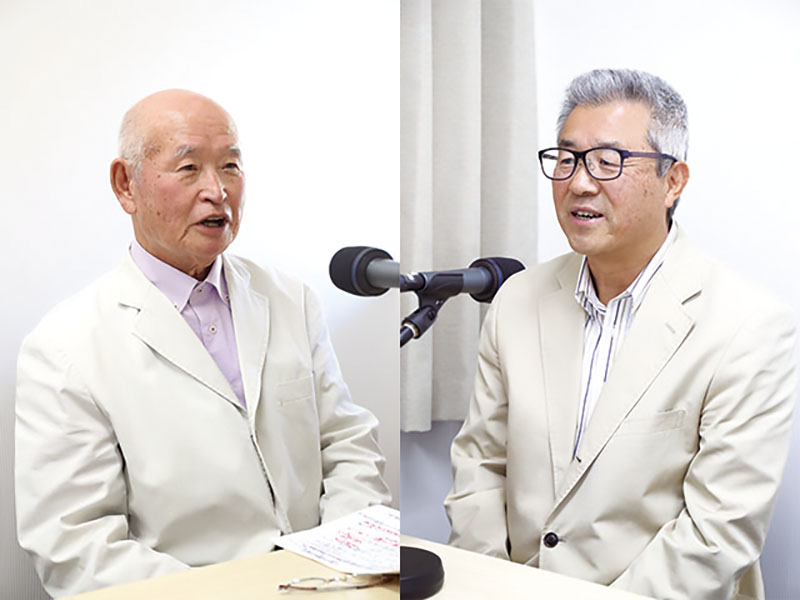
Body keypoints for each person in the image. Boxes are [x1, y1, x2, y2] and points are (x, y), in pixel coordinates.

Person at [15, 89, 391, 597]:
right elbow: (77, 547)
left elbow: (346, 444)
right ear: (126, 185)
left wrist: (344, 562)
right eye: (189, 168)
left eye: (230, 166)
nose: (217, 191)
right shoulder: (65, 348)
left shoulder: (290, 299)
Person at [444, 69, 796, 600]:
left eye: (608, 162)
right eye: (567, 159)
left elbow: (716, 533)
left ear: (673, 182)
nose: (579, 183)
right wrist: (491, 586)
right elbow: (480, 465)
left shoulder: (749, 325)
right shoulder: (517, 299)